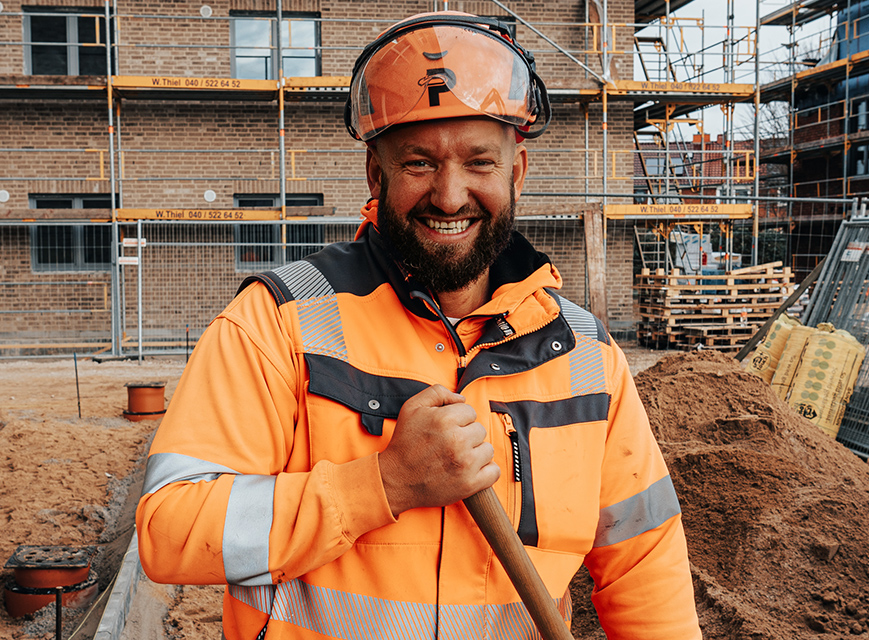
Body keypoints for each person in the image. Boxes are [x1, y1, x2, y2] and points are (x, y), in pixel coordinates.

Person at [135, 12, 700, 639]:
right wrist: (382, 482)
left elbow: (645, 568)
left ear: (516, 173)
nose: (451, 195)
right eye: (419, 164)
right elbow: (170, 531)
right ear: (375, 175)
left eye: (479, 162)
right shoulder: (279, 324)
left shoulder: (585, 354)